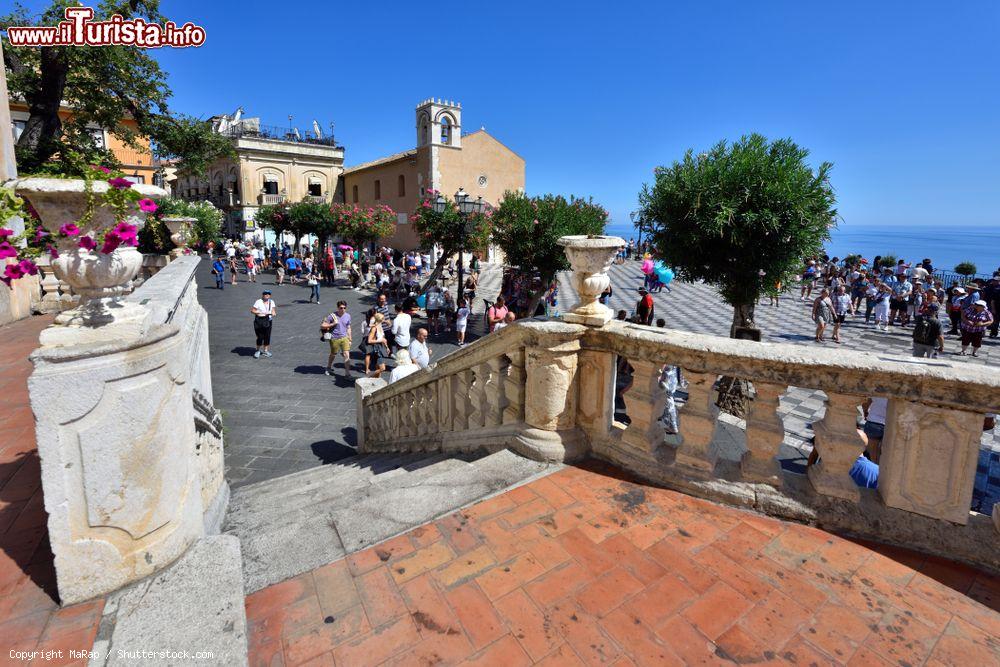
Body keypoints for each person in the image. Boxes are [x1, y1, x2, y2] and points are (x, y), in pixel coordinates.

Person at [323, 301, 352, 376]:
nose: (343, 309)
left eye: (344, 308)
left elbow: (348, 327)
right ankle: (329, 367)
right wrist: (333, 323)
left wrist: (350, 338)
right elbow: (323, 325)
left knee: (346, 354)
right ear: (338, 308)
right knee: (333, 354)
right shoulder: (332, 316)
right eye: (341, 308)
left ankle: (347, 373)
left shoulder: (348, 316)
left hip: (344, 338)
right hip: (334, 338)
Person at [250, 290, 276, 359]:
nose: (267, 295)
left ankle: (265, 351)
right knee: (260, 336)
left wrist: (273, 313)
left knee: (267, 336)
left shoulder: (271, 302)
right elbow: (252, 310)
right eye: (265, 294)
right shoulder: (258, 301)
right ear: (262, 295)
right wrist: (257, 312)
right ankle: (258, 350)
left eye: (268, 294)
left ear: (270, 295)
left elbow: (273, 310)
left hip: (268, 321)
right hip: (259, 321)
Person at [365, 312, 389, 378]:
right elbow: (369, 340)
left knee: (378, 367)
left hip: (380, 348)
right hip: (376, 349)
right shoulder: (374, 328)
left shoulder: (380, 326)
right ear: (379, 319)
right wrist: (380, 340)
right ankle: (370, 375)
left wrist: (387, 347)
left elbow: (383, 338)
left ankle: (376, 380)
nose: (384, 319)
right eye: (382, 318)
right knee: (382, 368)